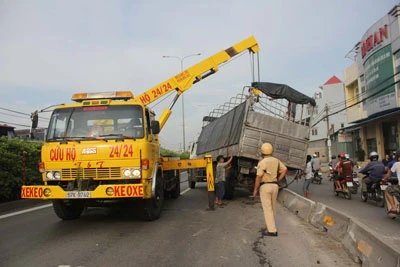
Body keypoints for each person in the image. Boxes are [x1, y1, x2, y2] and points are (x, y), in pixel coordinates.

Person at [253, 142, 287, 236]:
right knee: (272, 207)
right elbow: (284, 170)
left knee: (267, 208)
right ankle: (271, 226)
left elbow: (258, 177)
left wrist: (255, 190)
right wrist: (278, 179)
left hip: (265, 186)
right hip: (275, 186)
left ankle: (272, 230)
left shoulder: (262, 162)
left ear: (262, 152)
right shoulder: (276, 160)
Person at [382, 149, 400, 215]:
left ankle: (393, 207)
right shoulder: (386, 162)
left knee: (387, 190)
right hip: (395, 180)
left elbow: (389, 173)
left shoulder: (396, 164)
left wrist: (384, 179)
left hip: (397, 183)